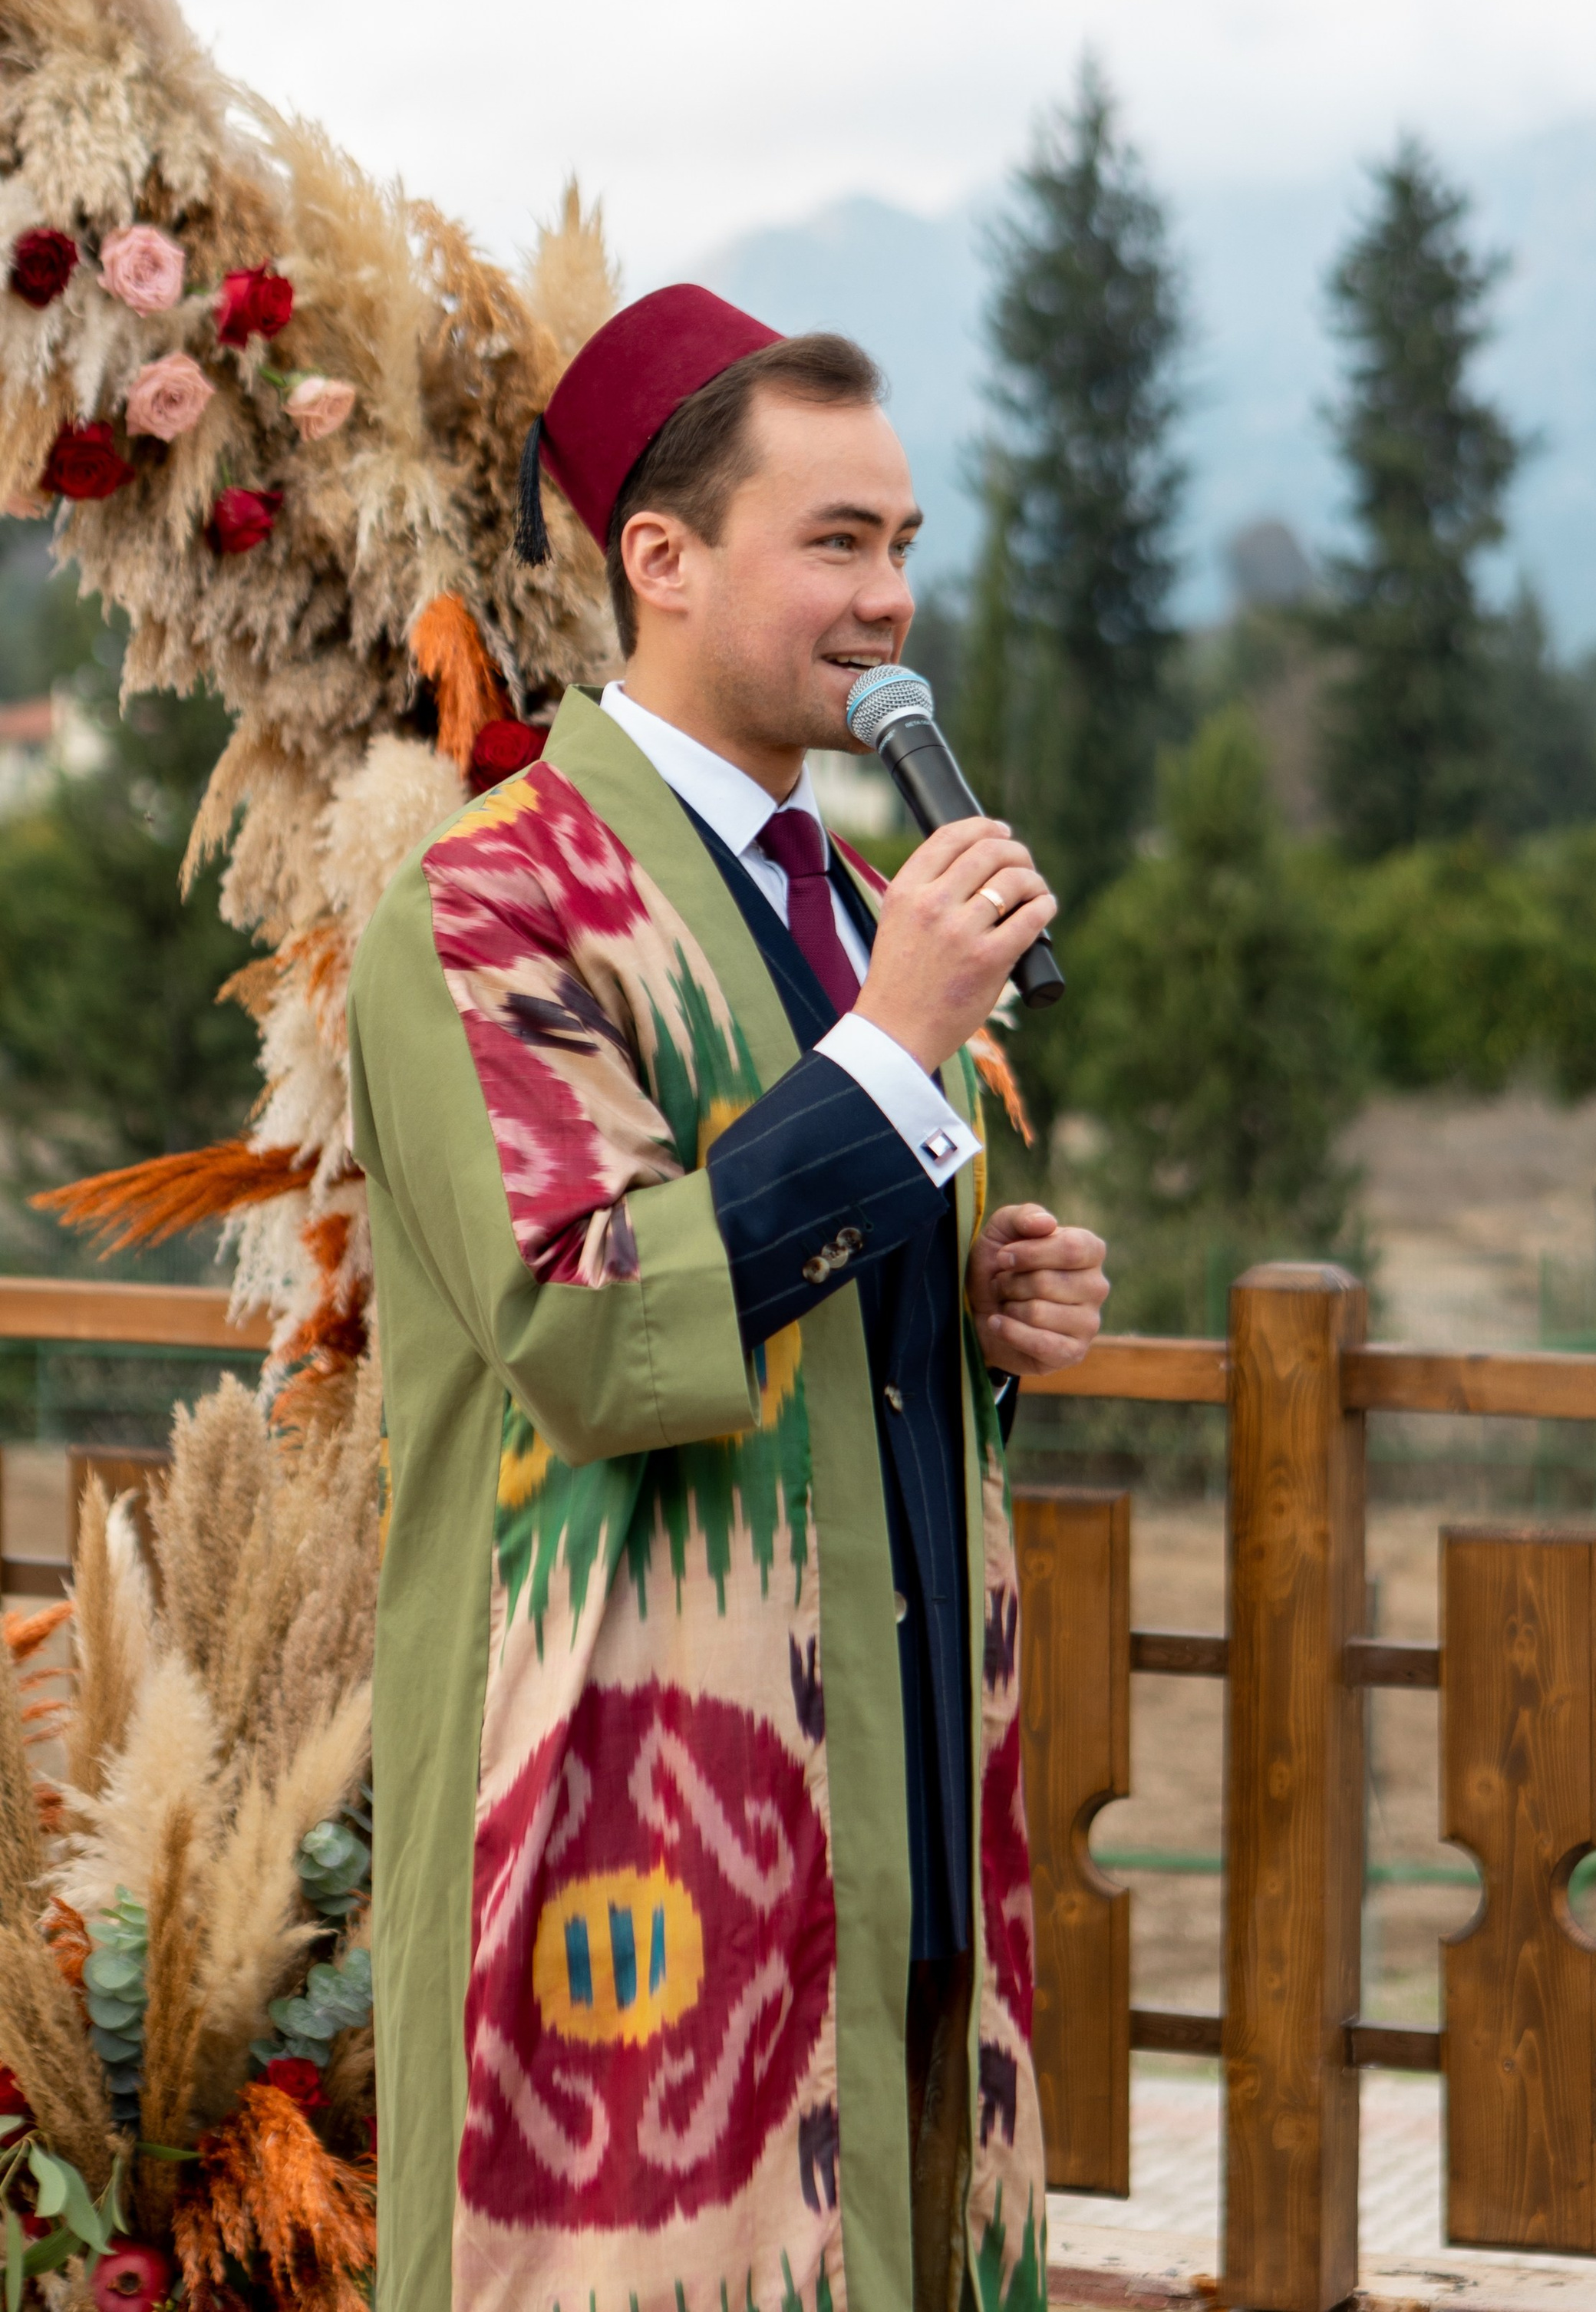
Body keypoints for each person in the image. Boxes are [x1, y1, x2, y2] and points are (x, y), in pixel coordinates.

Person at [348, 284, 1109, 2312]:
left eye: (904, 543)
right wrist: (897, 1049)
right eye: (836, 542)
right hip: (634, 1807)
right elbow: (594, 1327)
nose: (890, 600)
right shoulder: (486, 904)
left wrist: (979, 1312)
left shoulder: (853, 906)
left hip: (897, 1785)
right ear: (661, 560)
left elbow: (815, 1307)